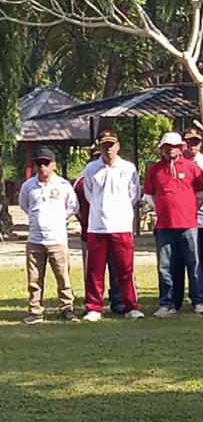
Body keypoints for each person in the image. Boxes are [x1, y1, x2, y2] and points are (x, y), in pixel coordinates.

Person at [80, 128, 143, 321]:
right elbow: (89, 194)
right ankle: (94, 308)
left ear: (118, 146)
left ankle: (130, 306)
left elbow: (134, 195)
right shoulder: (91, 169)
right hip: (97, 226)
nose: (108, 149)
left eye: (111, 145)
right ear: (99, 147)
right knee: (94, 270)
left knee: (125, 269)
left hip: (121, 226)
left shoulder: (128, 168)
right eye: (104, 145)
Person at [143, 131, 203, 317]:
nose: (170, 150)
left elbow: (202, 194)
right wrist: (163, 208)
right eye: (167, 146)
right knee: (165, 267)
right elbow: (149, 196)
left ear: (181, 148)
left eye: (174, 146)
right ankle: (167, 303)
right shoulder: (154, 170)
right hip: (164, 226)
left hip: (188, 225)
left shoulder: (192, 167)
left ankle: (199, 302)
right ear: (161, 149)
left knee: (194, 264)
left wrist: (189, 209)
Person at [18, 147, 79, 323]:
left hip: (57, 239)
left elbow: (73, 207)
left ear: (54, 165)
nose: (42, 167)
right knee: (34, 279)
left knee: (63, 277)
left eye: (46, 163)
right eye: (39, 163)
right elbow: (24, 205)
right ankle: (35, 311)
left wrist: (58, 220)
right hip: (35, 239)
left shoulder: (63, 185)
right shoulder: (28, 186)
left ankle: (67, 308)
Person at [74, 152, 124, 316]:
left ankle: (119, 300)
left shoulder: (121, 173)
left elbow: (131, 196)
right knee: (93, 272)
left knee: (118, 269)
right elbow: (76, 207)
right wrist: (86, 221)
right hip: (91, 233)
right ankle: (94, 304)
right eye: (95, 157)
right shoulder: (81, 182)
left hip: (116, 230)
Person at [177, 126, 203, 310]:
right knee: (179, 262)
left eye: (196, 142)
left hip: (202, 221)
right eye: (189, 141)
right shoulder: (176, 163)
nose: (192, 145)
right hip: (180, 221)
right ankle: (176, 300)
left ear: (201, 144)